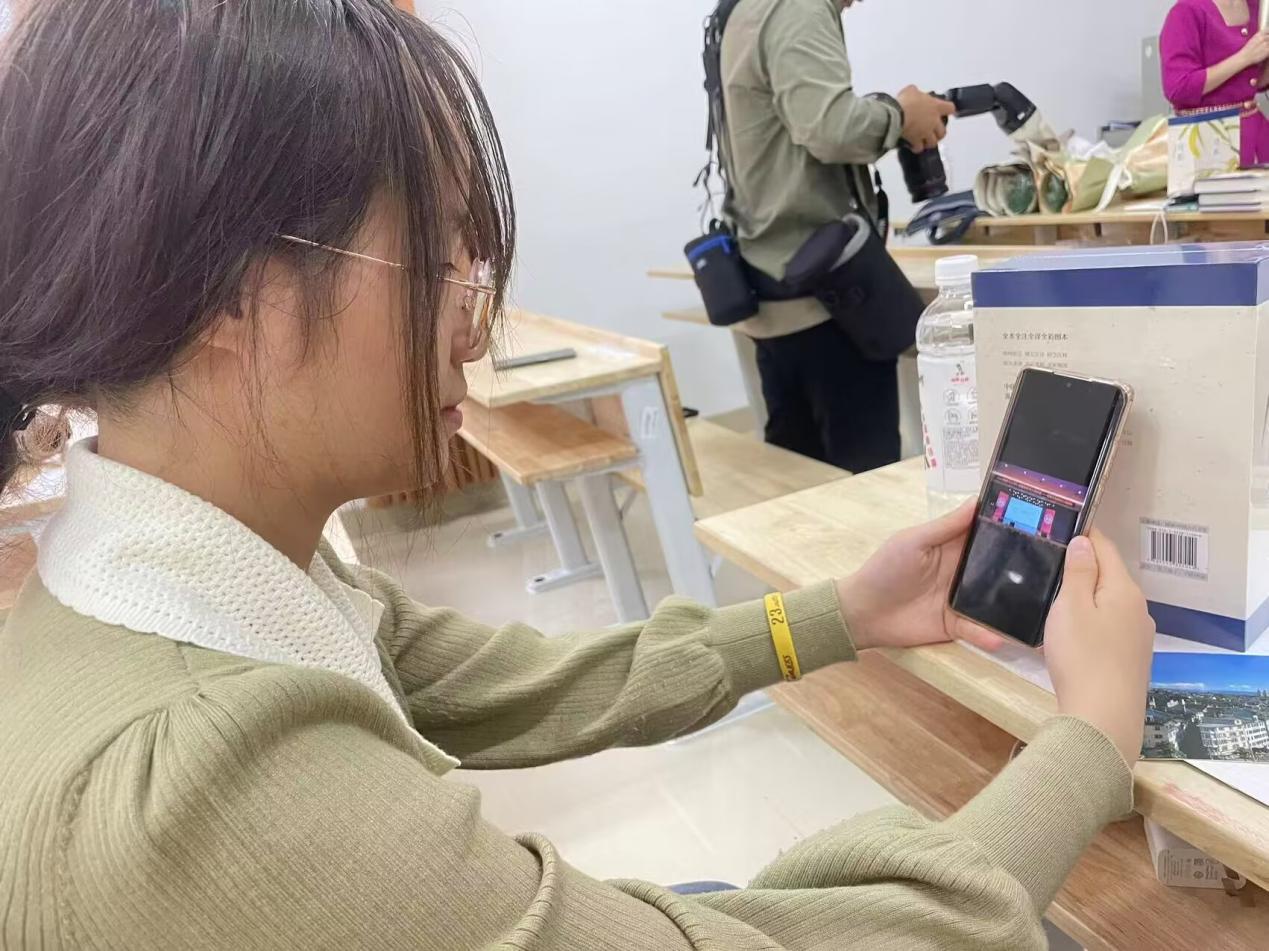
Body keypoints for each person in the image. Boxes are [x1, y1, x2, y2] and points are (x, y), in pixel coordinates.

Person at [0, 2, 1155, 948]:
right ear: (225, 293)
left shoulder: (203, 571)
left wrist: (841, 614)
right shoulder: (214, 790)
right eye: (441, 258)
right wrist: (1092, 742)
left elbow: (516, 682)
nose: (475, 323)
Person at [719, 0, 954, 473]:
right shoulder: (799, 7)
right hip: (827, 295)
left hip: (779, 284)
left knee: (804, 478)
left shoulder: (746, 9)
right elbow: (833, 130)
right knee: (866, 481)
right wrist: (901, 114)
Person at [1161, 0, 1269, 167]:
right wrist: (1245, 57)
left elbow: (1253, 82)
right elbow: (1178, 87)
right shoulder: (1186, 11)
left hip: (1257, 136)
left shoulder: (1258, 7)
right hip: (1208, 142)